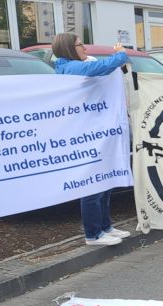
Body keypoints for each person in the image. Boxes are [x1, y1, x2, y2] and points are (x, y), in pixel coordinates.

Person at [52, 32, 131, 246]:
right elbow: (96, 69)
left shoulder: (75, 65)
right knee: (92, 184)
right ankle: (93, 233)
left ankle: (105, 226)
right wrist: (121, 55)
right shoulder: (68, 68)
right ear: (69, 48)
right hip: (83, 136)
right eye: (80, 45)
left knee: (104, 181)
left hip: (95, 133)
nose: (85, 48)